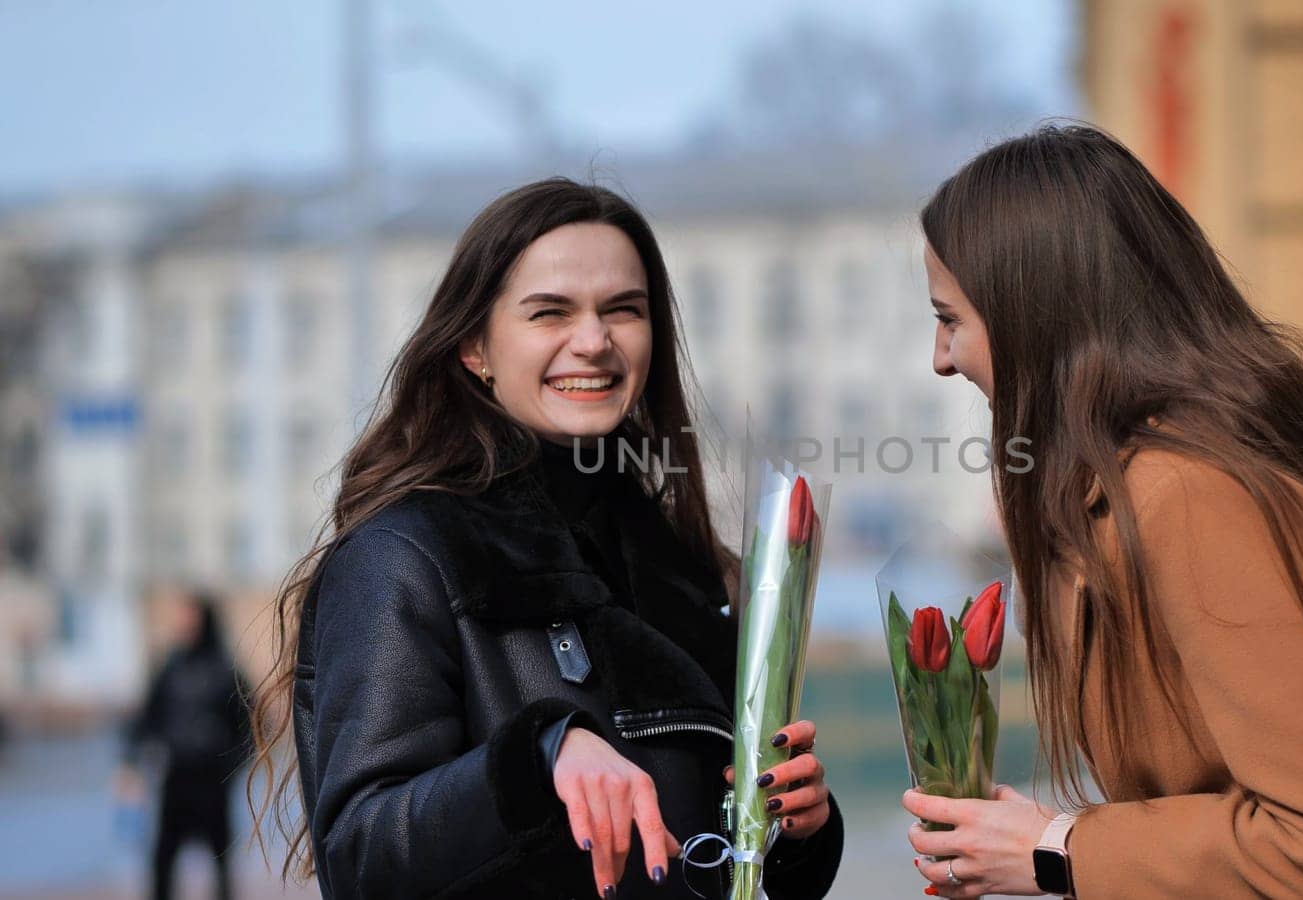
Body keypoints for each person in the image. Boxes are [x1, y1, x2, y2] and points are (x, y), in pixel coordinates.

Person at [901, 124, 1303, 898]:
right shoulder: (1133, 490)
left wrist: (1060, 850)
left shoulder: (1188, 494)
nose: (941, 358)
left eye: (950, 320)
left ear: (1033, 317)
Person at [248, 178, 842, 899]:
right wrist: (537, 759)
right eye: (549, 313)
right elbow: (363, 853)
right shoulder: (402, 555)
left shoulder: (681, 561)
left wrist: (794, 831)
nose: (593, 342)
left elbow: (713, 860)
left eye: (623, 310)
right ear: (474, 346)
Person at [121, 591, 252, 900]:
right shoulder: (170, 669)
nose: (183, 623)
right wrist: (129, 763)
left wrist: (231, 768)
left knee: (221, 861)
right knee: (162, 859)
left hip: (213, 782)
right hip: (177, 777)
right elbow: (145, 720)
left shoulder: (226, 670)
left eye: (190, 616)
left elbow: (250, 728)